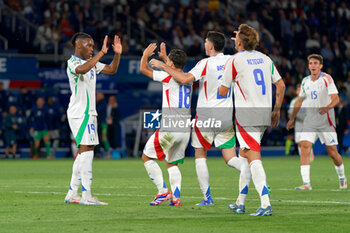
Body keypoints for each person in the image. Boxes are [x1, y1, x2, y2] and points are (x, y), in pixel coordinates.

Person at [150, 31, 242, 206]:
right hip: (226, 116)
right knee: (231, 159)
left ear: (211, 46)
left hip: (206, 117)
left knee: (200, 155)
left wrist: (164, 66)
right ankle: (254, 172)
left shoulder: (205, 63)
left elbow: (184, 78)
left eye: (206, 42)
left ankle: (207, 198)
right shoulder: (232, 60)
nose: (204, 44)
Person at [219, 24, 285, 216]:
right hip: (264, 114)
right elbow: (280, 86)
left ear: (238, 42)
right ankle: (240, 202)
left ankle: (265, 203)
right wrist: (277, 110)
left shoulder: (234, 60)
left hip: (246, 116)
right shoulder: (265, 59)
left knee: (253, 156)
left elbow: (223, 91)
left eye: (236, 39)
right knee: (245, 155)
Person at [64, 32, 122, 205]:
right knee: (87, 150)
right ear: (79, 46)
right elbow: (82, 69)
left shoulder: (92, 63)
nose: (92, 48)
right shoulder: (73, 62)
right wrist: (102, 53)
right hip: (80, 112)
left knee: (84, 151)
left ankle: (72, 193)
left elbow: (112, 69)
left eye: (93, 46)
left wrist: (117, 53)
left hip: (88, 112)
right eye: (89, 45)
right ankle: (87, 196)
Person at [286, 54, 347, 190]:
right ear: (308, 66)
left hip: (326, 121)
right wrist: (291, 119)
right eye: (311, 63)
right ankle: (306, 183)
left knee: (333, 153)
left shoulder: (327, 79)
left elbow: (336, 99)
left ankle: (342, 177)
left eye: (315, 63)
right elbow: (299, 101)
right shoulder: (305, 81)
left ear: (320, 66)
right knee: (305, 146)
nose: (313, 65)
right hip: (310, 120)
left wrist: (328, 107)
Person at [140, 42, 191, 207]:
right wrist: (164, 59)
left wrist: (145, 55)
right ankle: (176, 199)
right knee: (171, 163)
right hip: (185, 130)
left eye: (169, 61)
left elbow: (144, 70)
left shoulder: (167, 77)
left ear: (172, 64)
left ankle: (163, 191)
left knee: (147, 157)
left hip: (170, 128)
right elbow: (173, 70)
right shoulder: (189, 78)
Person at [286, 84, 314, 160]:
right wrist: (291, 121)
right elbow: (290, 113)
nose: (299, 91)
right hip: (298, 122)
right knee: (298, 141)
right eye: (298, 90)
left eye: (301, 90)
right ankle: (302, 157)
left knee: (307, 140)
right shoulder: (294, 101)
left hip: (308, 123)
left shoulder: (308, 100)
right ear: (296, 92)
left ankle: (310, 157)